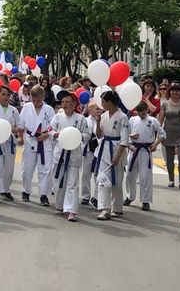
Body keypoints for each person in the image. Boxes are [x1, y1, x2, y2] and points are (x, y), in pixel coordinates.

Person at [49, 90, 90, 222]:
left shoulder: (80, 119)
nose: (65, 104)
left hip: (74, 154)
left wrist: (77, 135)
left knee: (72, 183)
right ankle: (59, 205)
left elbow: (87, 135)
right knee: (59, 181)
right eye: (63, 102)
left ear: (74, 104)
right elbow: (50, 130)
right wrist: (56, 134)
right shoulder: (57, 117)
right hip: (60, 153)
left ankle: (71, 210)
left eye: (68, 102)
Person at [93, 90, 128, 221]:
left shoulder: (122, 117)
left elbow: (125, 140)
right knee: (103, 180)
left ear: (109, 102)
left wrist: (118, 156)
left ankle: (117, 207)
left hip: (116, 148)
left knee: (117, 182)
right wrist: (97, 122)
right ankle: (105, 208)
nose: (101, 104)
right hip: (104, 149)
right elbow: (99, 135)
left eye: (103, 102)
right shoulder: (104, 116)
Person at [0, 84, 21, 202]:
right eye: (3, 94)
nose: (5, 97)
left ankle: (5, 190)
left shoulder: (14, 110)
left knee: (9, 168)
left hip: (10, 142)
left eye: (7, 95)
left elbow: (20, 125)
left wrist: (15, 130)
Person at [125, 100, 163, 211]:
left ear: (147, 110)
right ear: (136, 111)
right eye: (139, 113)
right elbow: (125, 134)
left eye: (143, 113)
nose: (141, 115)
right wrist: (131, 139)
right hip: (133, 149)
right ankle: (130, 196)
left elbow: (162, 134)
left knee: (145, 176)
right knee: (129, 174)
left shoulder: (152, 121)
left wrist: (155, 144)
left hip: (146, 150)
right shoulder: (132, 120)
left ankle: (145, 200)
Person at [18, 87, 54, 204]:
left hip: (45, 141)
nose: (36, 103)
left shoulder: (49, 109)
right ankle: (26, 191)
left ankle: (44, 194)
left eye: (38, 100)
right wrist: (20, 136)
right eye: (34, 100)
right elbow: (21, 124)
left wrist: (46, 135)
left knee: (45, 169)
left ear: (43, 97)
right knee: (27, 169)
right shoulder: (26, 107)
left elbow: (53, 126)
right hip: (30, 140)